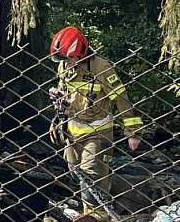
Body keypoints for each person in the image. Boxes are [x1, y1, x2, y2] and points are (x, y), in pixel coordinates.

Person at [48, 26, 144, 222]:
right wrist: (59, 114)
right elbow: (65, 93)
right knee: (76, 173)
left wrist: (133, 132)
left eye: (69, 58)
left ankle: (98, 216)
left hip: (98, 132)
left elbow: (121, 99)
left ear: (80, 52)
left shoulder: (101, 67)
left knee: (91, 175)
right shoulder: (64, 66)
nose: (66, 63)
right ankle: (104, 201)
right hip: (73, 132)